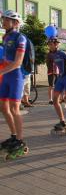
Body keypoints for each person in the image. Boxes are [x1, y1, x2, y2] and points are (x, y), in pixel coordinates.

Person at [0, 10, 27, 152]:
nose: (3, 21)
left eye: (6, 19)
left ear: (15, 23)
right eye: (3, 19)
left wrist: (1, 71)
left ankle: (20, 140)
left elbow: (17, 63)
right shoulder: (5, 37)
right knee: (3, 108)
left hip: (16, 76)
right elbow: (5, 59)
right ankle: (13, 135)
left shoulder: (20, 38)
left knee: (14, 109)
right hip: (6, 76)